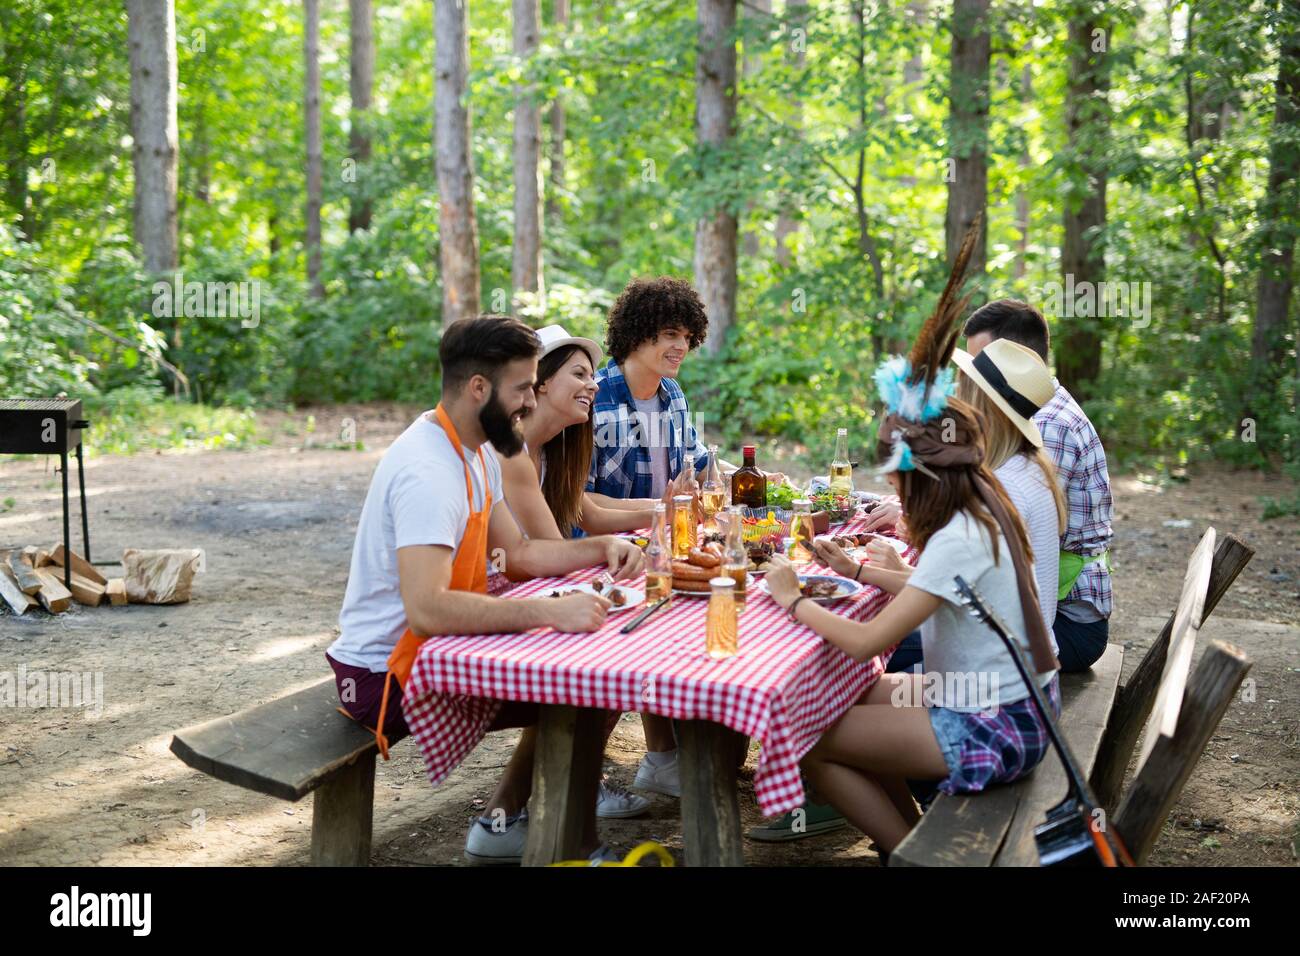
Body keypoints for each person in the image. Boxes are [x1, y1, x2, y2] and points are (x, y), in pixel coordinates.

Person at [325, 315, 644, 864]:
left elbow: (519, 554)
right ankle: (567, 844)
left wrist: (600, 548)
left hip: (439, 652)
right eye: (522, 387)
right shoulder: (428, 470)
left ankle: (520, 829)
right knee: (582, 688)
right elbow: (426, 611)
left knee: (590, 683)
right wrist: (549, 615)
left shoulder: (478, 450)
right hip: (385, 674)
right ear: (479, 387)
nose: (529, 401)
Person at [764, 318, 1061, 859]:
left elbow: (865, 642)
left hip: (997, 722)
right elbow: (943, 590)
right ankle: (910, 840)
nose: (892, 485)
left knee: (807, 740)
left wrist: (793, 598)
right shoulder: (981, 501)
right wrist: (859, 573)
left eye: (896, 474)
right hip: (1010, 697)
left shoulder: (958, 536)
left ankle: (913, 856)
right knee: (842, 694)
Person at [495, 323, 655, 820]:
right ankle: (547, 800)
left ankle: (563, 789)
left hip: (529, 586)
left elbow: (595, 516)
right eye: (580, 374)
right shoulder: (512, 449)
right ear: (539, 383)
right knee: (605, 654)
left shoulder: (557, 449)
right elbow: (547, 551)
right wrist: (613, 557)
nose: (593, 385)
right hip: (493, 598)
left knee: (625, 635)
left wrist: (668, 510)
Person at [582, 276, 715, 798]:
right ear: (636, 334)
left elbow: (699, 464)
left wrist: (754, 480)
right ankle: (575, 777)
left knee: (675, 635)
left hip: (659, 548)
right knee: (625, 653)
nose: (680, 346)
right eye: (668, 334)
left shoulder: (672, 393)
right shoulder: (598, 398)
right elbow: (582, 506)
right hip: (602, 557)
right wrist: (662, 508)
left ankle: (662, 757)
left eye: (686, 335)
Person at [876, 338, 1066, 673]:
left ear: (982, 408)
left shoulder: (1006, 486)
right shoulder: (1026, 467)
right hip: (1017, 648)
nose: (956, 399)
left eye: (966, 389)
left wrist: (897, 564)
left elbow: (954, 592)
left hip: (1000, 667)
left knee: (860, 666)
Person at [963, 299, 1114, 672]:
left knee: (909, 644)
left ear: (1020, 358)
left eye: (983, 366)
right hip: (1048, 611)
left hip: (1067, 627)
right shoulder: (1033, 411)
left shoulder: (1046, 425)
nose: (973, 379)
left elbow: (1003, 533)